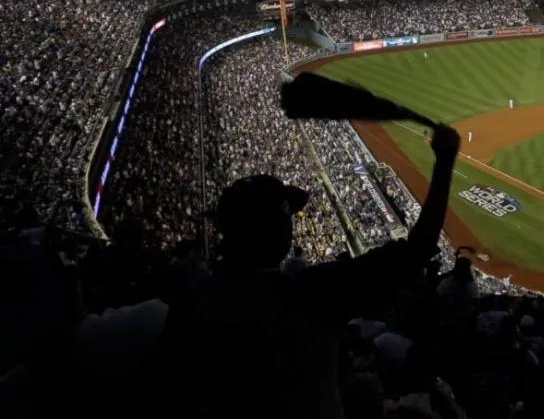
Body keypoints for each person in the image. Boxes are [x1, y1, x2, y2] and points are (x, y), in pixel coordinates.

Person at [153, 125, 461, 419]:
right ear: (278, 233)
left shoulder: (189, 304)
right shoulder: (309, 292)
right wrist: (444, 160)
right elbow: (415, 251)